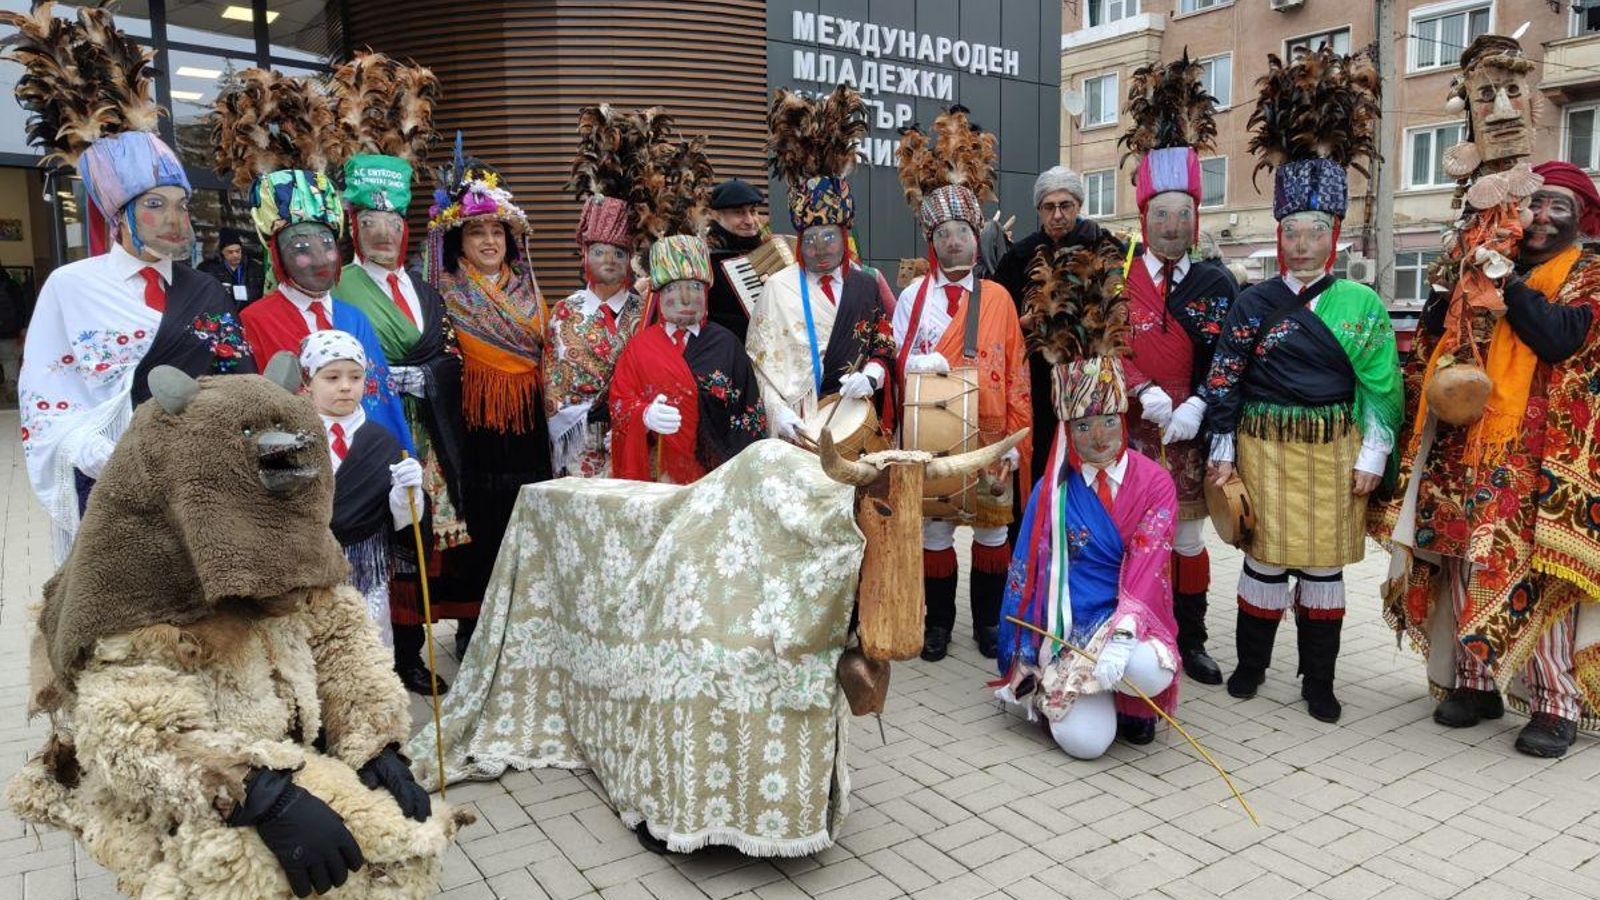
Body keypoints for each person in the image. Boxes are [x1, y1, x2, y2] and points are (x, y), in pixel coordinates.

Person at [6, 354, 467, 899]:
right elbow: (129, 732)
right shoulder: (135, 593)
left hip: (293, 754)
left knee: (396, 846)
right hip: (203, 792)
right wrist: (253, 790)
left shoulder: (293, 553)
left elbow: (342, 642)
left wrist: (373, 743)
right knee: (247, 877)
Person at [1375, 31, 1600, 759]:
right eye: (1535, 205)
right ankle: (1472, 683)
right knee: (1465, 561)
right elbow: (1438, 331)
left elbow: (1565, 339)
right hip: (1467, 446)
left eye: (1557, 205)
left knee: (1538, 574)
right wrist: (1458, 286)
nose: (1542, 216)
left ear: (1581, 215)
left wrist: (1502, 287)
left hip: (1540, 459)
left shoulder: (1584, 274)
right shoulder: (1486, 256)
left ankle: (1554, 704)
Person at [7, 4, 255, 560]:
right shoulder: (71, 287)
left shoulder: (205, 289)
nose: (176, 220)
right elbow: (44, 391)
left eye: (182, 206)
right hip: (111, 475)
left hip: (201, 477)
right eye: (155, 205)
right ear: (118, 216)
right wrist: (103, 453)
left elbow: (235, 373)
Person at [1202, 46, 1401, 724]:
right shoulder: (1252, 302)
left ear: (1334, 234)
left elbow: (1381, 386)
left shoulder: (1362, 305)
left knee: (1320, 571)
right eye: (1293, 231)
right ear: (1279, 234)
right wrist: (1222, 446)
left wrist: (1375, 450)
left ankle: (1320, 682)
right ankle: (1252, 667)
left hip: (1333, 448)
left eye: (1316, 230)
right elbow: (1224, 377)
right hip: (1261, 444)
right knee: (1261, 562)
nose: (1304, 242)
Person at [997, 238, 1180, 757]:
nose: (1098, 437)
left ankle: (1132, 697)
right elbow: (1027, 568)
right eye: (1083, 425)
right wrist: (1030, 647)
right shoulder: (1052, 488)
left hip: (1127, 620)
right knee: (1086, 744)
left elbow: (1148, 565)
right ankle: (1067, 689)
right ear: (1067, 430)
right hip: (1069, 627)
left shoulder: (1154, 482)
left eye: (1107, 422)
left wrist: (1122, 634)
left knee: (1142, 667)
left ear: (1122, 419)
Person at [326, 54, 465, 694]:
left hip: (426, 431)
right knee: (382, 543)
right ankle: (373, 656)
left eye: (393, 225)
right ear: (356, 229)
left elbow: (445, 351)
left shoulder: (423, 286)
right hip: (370, 425)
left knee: (421, 543)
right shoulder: (341, 287)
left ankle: (413, 649)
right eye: (371, 225)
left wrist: (429, 375)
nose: (384, 235)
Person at [1115, 54, 1238, 684]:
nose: (1171, 224)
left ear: (1197, 218)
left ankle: (1190, 639)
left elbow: (1232, 358)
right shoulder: (1119, 279)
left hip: (1191, 433)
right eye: (1160, 214)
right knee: (1133, 539)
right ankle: (1133, 628)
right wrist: (1140, 391)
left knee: (1188, 543)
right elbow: (1106, 348)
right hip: (1131, 433)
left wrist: (1198, 405)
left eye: (1182, 213)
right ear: (1143, 219)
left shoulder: (1218, 281)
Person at [893, 105, 1032, 662]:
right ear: (933, 240)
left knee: (994, 533)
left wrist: (1016, 441)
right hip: (934, 434)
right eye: (944, 233)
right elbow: (896, 361)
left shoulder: (998, 297)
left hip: (991, 431)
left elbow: (1018, 371)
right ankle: (938, 625)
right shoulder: (912, 297)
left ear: (978, 237)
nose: (954, 242)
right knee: (936, 534)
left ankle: (989, 626)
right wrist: (915, 365)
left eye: (963, 232)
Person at [425, 142, 552, 658]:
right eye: (477, 231)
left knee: (525, 521)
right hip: (472, 425)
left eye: (497, 231)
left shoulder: (530, 290)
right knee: (478, 529)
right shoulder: (445, 291)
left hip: (526, 425)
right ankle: (473, 628)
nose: (489, 241)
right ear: (459, 238)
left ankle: (523, 623)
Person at [748, 85, 895, 442]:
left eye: (828, 237)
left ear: (845, 236)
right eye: (809, 240)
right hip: (798, 422)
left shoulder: (866, 283)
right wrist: (776, 411)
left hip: (857, 418)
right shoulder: (777, 287)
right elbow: (759, 365)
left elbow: (884, 341)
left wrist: (874, 373)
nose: (819, 249)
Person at [990, 166, 1125, 511]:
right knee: (1040, 465)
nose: (1058, 215)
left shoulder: (1103, 247)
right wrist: (1025, 321)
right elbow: (998, 316)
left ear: (1078, 205)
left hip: (1090, 376)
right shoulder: (1019, 255)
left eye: (1065, 205)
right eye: (1048, 207)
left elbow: (1121, 306)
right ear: (1039, 210)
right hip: (1035, 380)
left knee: (1088, 467)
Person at [301, 330, 426, 649]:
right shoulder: (292, 440)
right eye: (331, 377)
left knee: (369, 650)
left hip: (366, 575)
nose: (345, 386)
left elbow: (402, 519)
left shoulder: (382, 441)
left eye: (355, 377)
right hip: (307, 575)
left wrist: (407, 491)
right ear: (307, 382)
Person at [610, 234, 767, 483]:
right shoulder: (639, 348)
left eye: (694, 287)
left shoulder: (727, 345)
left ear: (706, 292)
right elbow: (620, 404)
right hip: (658, 478)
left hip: (716, 478)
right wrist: (644, 415)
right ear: (659, 295)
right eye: (673, 288)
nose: (685, 298)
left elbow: (749, 414)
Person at [706, 178, 767, 341]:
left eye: (753, 211)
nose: (749, 221)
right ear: (716, 216)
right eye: (739, 212)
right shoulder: (706, 259)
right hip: (726, 351)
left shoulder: (768, 250)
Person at [197, 226, 266, 309]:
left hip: (247, 313)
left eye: (238, 251)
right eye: (230, 252)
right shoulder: (209, 269)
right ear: (222, 252)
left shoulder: (254, 268)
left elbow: (256, 294)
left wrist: (231, 290)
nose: (235, 255)